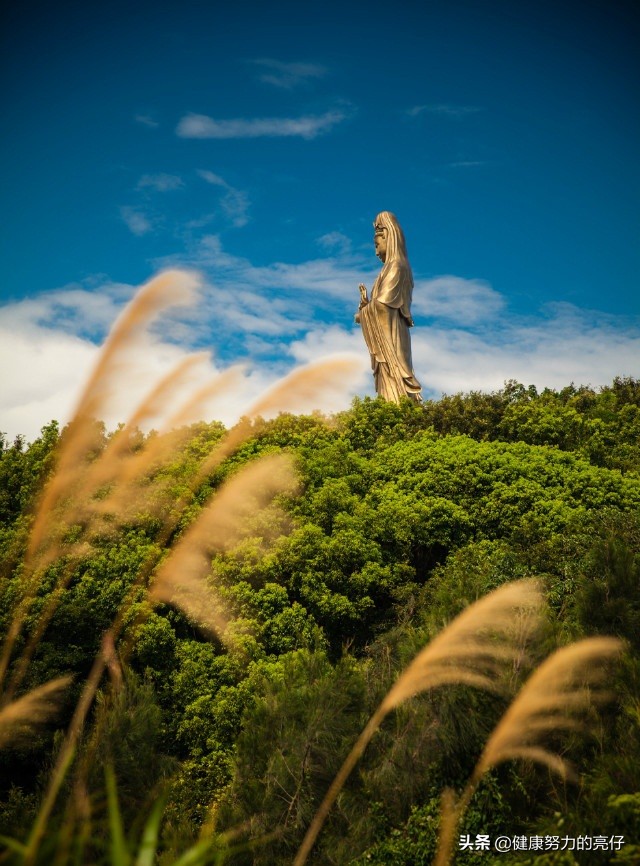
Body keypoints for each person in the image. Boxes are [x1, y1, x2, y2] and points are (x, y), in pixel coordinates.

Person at [355, 211, 422, 402]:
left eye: (377, 245)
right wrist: (367, 305)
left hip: (393, 337)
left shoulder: (397, 266)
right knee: (387, 385)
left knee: (395, 384)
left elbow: (384, 305)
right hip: (389, 333)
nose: (376, 252)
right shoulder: (391, 267)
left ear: (388, 237)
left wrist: (364, 313)